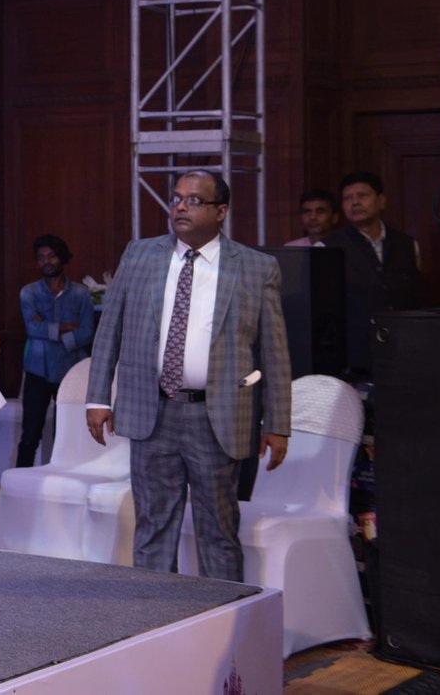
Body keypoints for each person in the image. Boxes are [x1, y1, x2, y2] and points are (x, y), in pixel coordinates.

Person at [85, 171, 292, 582]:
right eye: (176, 198)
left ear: (221, 212)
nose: (180, 207)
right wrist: (98, 398)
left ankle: (224, 614)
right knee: (153, 527)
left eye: (194, 201)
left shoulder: (256, 267)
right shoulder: (139, 255)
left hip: (217, 417)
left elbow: (274, 352)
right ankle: (156, 614)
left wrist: (277, 422)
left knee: (218, 531)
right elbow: (110, 330)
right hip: (152, 411)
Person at [322, 170, 422, 374]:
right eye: (347, 198)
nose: (355, 203)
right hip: (355, 356)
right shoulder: (327, 248)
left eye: (362, 195)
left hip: (406, 350)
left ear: (381, 201)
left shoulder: (407, 244)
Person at [16, 234, 95, 467]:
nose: (46, 262)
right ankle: (20, 482)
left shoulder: (81, 294)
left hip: (70, 371)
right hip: (38, 371)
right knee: (30, 434)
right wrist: (67, 327)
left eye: (51, 256)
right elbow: (32, 329)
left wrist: (50, 330)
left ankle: (60, 481)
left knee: (66, 435)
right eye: (41, 257)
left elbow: (87, 333)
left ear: (61, 257)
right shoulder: (29, 293)